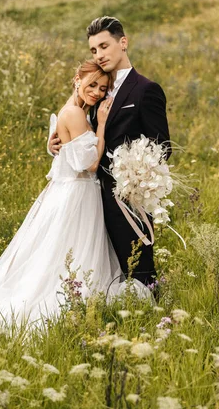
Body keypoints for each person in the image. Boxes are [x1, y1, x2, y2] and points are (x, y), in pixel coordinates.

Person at [0, 60, 122, 336]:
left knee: (61, 254)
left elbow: (66, 150)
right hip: (76, 195)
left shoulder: (73, 112)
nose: (97, 93)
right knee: (66, 254)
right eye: (91, 85)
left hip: (74, 193)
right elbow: (89, 164)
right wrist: (100, 125)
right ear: (77, 79)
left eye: (102, 88)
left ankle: (77, 296)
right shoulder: (77, 115)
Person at [49, 17, 170, 287]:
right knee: (94, 270)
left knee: (138, 272)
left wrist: (134, 179)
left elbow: (162, 147)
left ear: (123, 43)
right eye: (94, 50)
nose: (99, 54)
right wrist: (55, 142)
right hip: (88, 198)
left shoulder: (145, 90)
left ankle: (149, 318)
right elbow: (76, 124)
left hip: (126, 198)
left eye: (104, 46)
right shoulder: (97, 89)